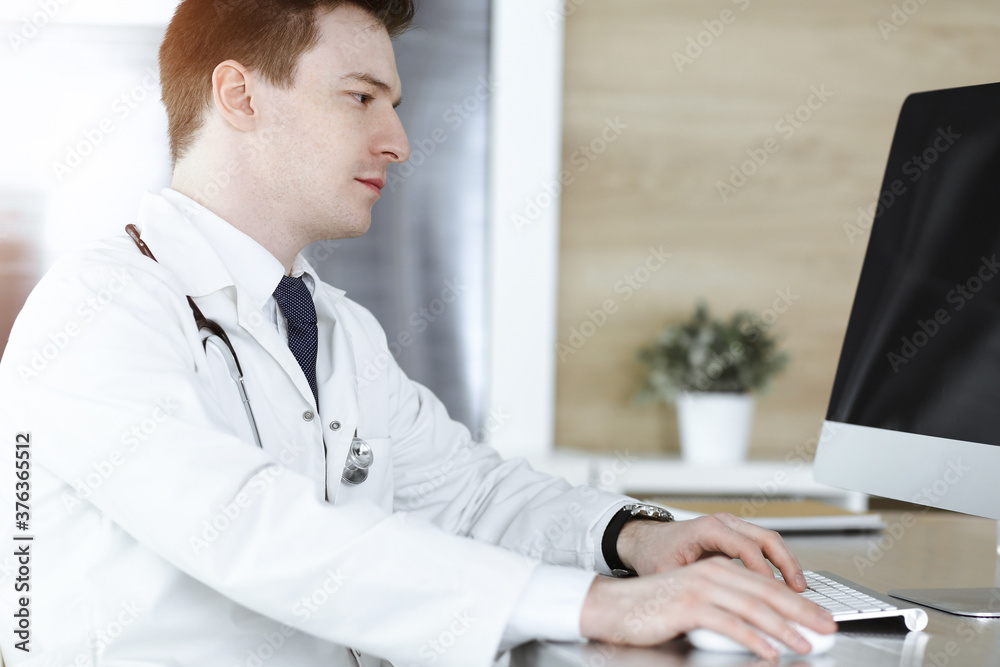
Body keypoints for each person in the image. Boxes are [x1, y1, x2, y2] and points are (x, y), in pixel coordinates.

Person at [0, 0, 835, 664]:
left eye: (394, 106)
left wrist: (637, 538)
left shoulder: (332, 326)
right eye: (361, 98)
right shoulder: (99, 308)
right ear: (240, 94)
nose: (397, 141)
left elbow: (465, 493)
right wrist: (595, 603)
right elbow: (252, 527)